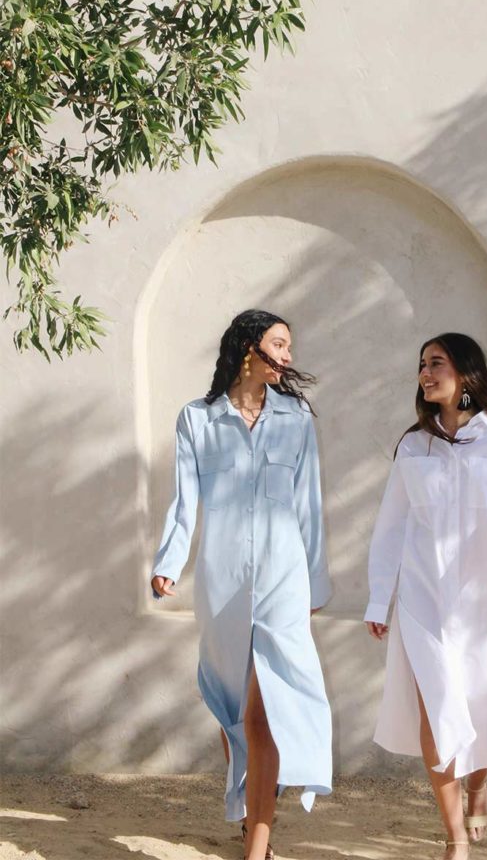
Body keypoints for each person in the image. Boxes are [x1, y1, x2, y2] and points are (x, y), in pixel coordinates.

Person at [151, 309, 332, 860]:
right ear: (249, 348)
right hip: (222, 580)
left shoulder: (296, 418)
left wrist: (315, 584)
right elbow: (184, 500)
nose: (289, 356)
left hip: (284, 578)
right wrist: (169, 562)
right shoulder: (198, 419)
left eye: (290, 346)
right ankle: (251, 817)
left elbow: (309, 506)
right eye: (280, 344)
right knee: (234, 713)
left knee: (264, 712)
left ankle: (257, 845)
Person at [365, 333, 487, 859]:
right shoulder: (413, 446)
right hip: (423, 600)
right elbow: (390, 528)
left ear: (465, 372)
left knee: (480, 702)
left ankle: (478, 785)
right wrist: (380, 599)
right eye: (422, 364)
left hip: (484, 598)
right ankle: (455, 838)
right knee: (437, 710)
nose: (425, 372)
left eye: (436, 363)